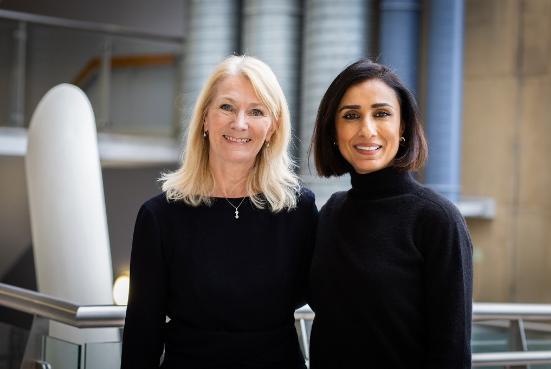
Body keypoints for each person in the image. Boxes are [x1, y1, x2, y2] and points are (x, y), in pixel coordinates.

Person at [121, 55, 317, 369]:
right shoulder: (160, 217)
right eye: (226, 107)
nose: (239, 123)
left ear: (272, 127)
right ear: (204, 119)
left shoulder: (299, 210)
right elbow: (141, 334)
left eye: (256, 111)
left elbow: (334, 306)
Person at [308, 59, 473, 369]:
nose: (366, 129)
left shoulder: (437, 219)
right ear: (333, 129)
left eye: (381, 114)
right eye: (351, 116)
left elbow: (451, 351)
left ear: (403, 127)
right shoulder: (331, 213)